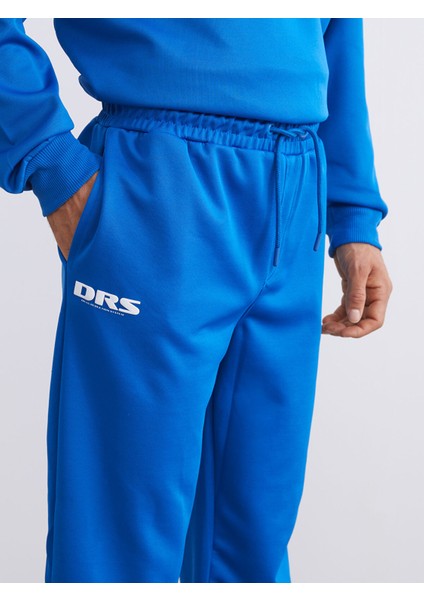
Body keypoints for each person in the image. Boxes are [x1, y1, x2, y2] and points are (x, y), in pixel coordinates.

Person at [0, 18, 393, 583]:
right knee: (120, 541)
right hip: (158, 182)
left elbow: (339, 27)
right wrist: (49, 158)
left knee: (253, 537)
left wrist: (354, 217)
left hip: (298, 190)